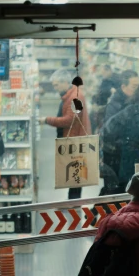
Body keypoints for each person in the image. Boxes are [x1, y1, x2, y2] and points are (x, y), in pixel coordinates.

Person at [39, 69, 91, 200]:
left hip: (76, 140)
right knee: (74, 173)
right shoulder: (71, 95)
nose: (55, 88)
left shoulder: (75, 97)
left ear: (65, 82)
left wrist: (47, 120)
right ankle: (72, 201)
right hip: (73, 138)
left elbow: (70, 120)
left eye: (56, 85)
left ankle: (73, 202)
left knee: (76, 174)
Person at [102, 81, 139, 194]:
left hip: (114, 153)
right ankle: (100, 211)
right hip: (120, 157)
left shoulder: (134, 108)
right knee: (117, 191)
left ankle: (97, 211)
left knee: (112, 189)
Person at [91, 65, 121, 133]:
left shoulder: (117, 79)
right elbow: (101, 90)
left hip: (107, 107)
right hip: (101, 105)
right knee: (92, 117)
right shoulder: (105, 79)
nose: (103, 75)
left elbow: (116, 92)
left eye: (104, 73)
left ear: (109, 70)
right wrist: (93, 102)